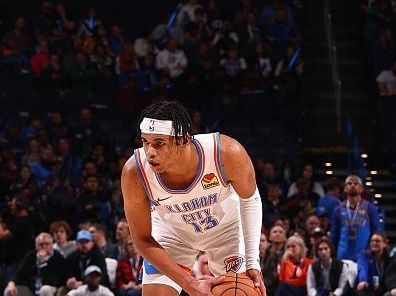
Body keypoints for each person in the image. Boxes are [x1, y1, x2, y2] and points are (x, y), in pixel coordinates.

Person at [121, 101, 265, 296]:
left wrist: (252, 261)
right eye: (145, 142)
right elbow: (142, 239)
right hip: (173, 234)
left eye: (159, 143)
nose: (149, 152)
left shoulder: (225, 153)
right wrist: (189, 283)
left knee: (242, 292)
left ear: (183, 139)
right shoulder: (135, 173)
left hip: (226, 230)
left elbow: (250, 200)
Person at [330, 175, 382, 261]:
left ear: (361, 189)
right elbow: (334, 235)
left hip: (364, 256)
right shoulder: (338, 209)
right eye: (349, 183)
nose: (352, 185)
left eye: (356, 183)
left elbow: (376, 232)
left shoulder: (369, 208)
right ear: (345, 188)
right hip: (343, 255)